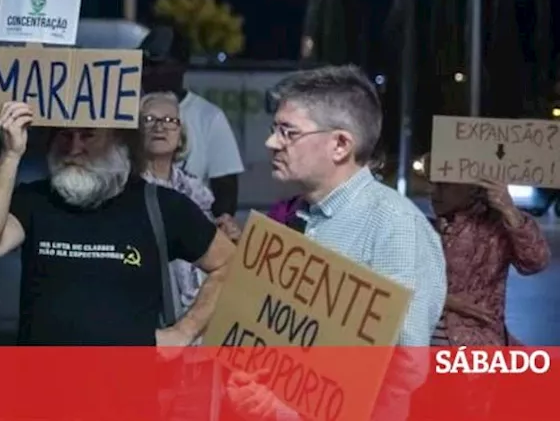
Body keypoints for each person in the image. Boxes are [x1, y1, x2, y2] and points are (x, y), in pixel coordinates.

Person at [227, 65, 446, 420]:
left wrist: (288, 410)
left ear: (341, 144)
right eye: (274, 130)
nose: (271, 143)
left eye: (288, 132)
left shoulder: (395, 225)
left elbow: (404, 364)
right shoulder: (296, 217)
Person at [0, 99, 233, 347]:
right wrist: (10, 155)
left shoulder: (161, 205)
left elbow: (230, 264)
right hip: (42, 386)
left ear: (119, 142)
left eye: (88, 135)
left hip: (131, 387)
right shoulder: (35, 200)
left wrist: (183, 332)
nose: (74, 148)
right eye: (65, 136)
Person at [138, 92, 241, 314]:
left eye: (169, 120)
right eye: (149, 120)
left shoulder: (197, 191)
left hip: (196, 312)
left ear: (180, 135)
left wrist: (226, 236)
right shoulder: (126, 189)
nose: (160, 127)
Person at [140, 26, 246, 218]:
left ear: (181, 66)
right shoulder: (125, 112)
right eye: (143, 64)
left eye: (157, 64)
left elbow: (226, 199)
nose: (146, 71)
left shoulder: (209, 117)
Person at [431, 177, 550, 346]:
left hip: (477, 341)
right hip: (422, 337)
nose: (434, 192)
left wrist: (510, 211)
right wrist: (444, 299)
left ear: (473, 189)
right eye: (433, 184)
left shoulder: (494, 228)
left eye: (444, 185)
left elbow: (536, 261)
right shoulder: (419, 225)